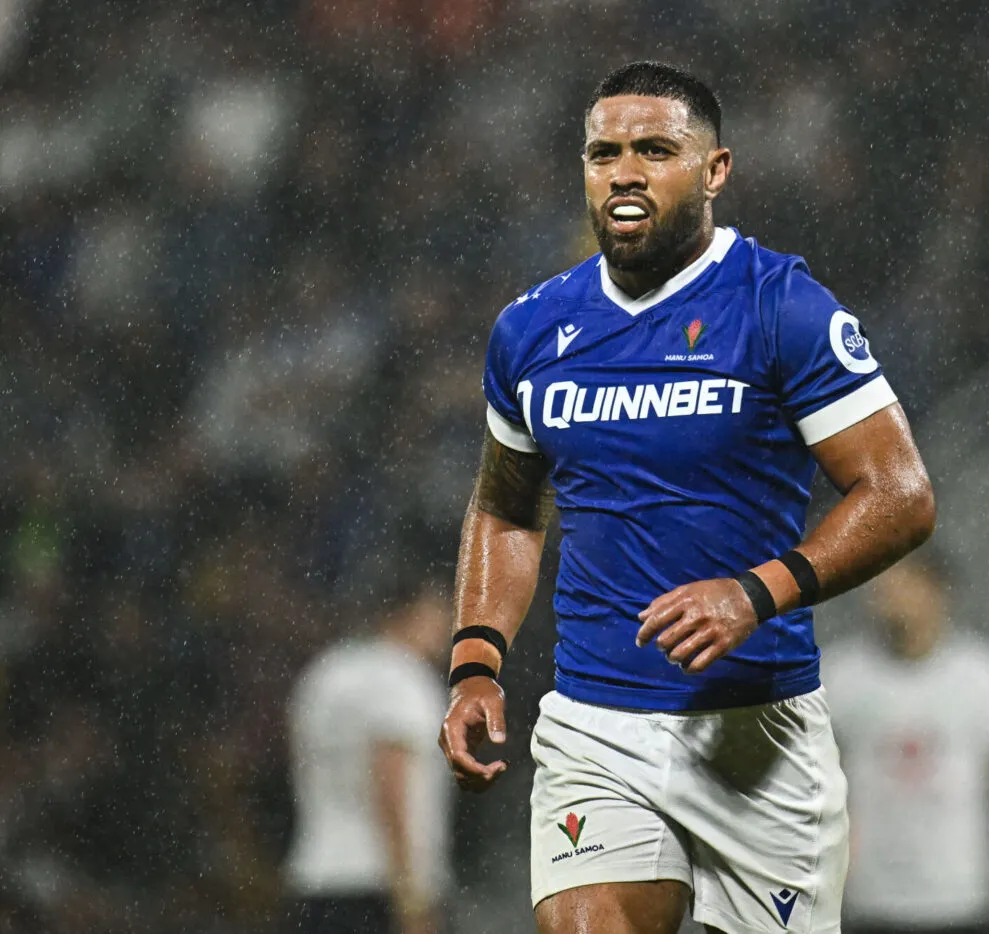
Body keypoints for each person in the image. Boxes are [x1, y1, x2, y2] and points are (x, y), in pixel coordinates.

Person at [437, 61, 936, 934]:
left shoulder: (782, 307)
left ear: (715, 171)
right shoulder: (530, 330)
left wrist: (755, 593)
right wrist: (475, 661)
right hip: (596, 726)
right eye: (604, 153)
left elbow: (900, 494)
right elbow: (507, 511)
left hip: (757, 737)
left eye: (655, 150)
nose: (623, 171)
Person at [823, 549, 989, 934]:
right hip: (871, 903)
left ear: (939, 591)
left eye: (902, 582)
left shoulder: (985, 675)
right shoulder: (839, 675)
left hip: (962, 902)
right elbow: (815, 783)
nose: (885, 592)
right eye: (880, 582)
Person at [285, 581, 454, 934]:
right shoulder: (403, 679)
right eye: (439, 613)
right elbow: (390, 783)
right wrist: (411, 897)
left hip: (315, 877)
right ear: (410, 612)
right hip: (376, 887)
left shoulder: (325, 672)